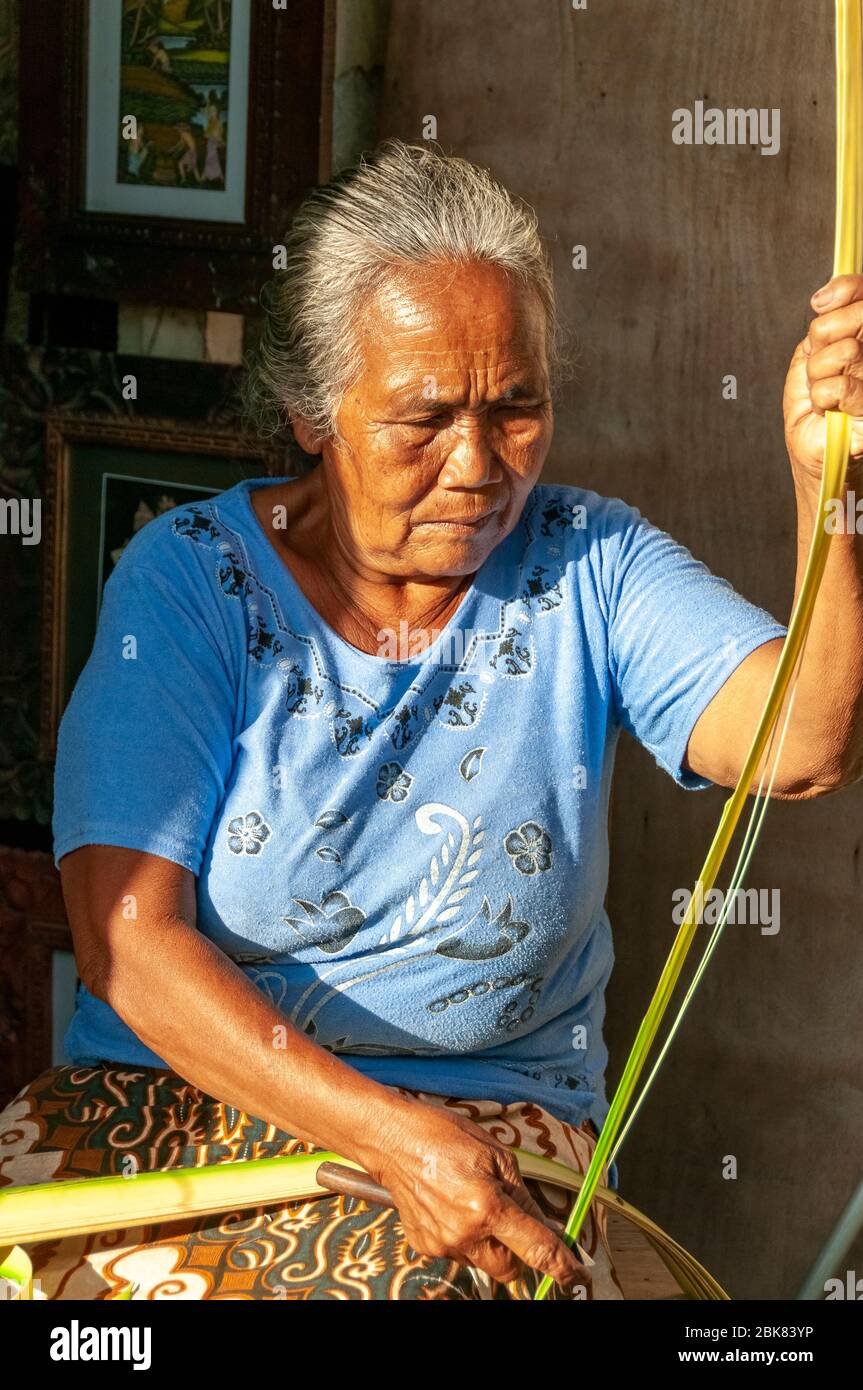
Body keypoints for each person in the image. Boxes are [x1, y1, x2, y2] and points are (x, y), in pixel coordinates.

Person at [3, 140, 862, 1301]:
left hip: (490, 1129)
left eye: (516, 408)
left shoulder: (585, 565)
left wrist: (828, 489)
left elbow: (803, 746)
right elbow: (126, 942)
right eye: (423, 418)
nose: (477, 465)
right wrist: (383, 1137)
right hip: (174, 1100)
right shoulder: (190, 585)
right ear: (312, 412)